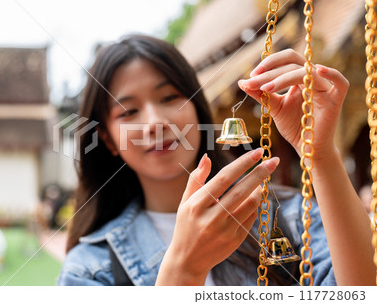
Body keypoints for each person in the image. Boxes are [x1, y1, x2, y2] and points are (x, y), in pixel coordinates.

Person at [56, 35, 374, 286]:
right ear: (109, 140)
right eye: (128, 111)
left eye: (169, 98)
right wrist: (182, 270)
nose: (155, 122)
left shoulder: (289, 217)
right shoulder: (89, 269)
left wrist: (321, 156)